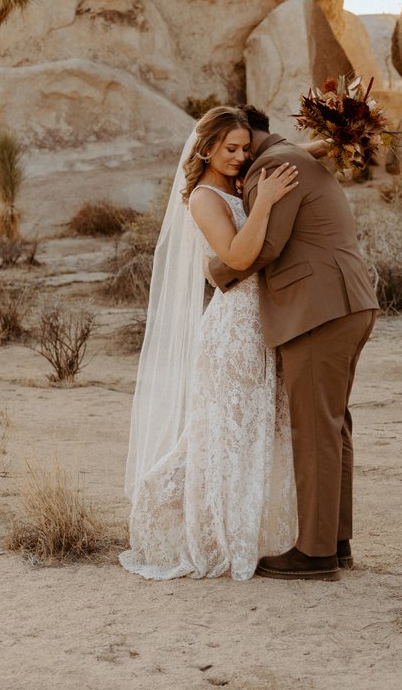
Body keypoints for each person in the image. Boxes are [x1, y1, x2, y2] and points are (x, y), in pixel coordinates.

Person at [120, 105, 300, 580]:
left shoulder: (237, 184)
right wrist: (265, 203)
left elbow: (289, 156)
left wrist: (338, 137)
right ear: (207, 148)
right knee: (223, 436)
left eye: (246, 148)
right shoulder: (204, 198)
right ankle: (202, 529)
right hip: (233, 331)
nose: (242, 156)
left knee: (255, 432)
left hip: (263, 324)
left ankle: (252, 532)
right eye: (231, 149)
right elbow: (238, 255)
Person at [206, 105, 379, 581]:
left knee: (314, 428)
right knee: (333, 423)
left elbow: (265, 247)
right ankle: (335, 540)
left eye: (241, 146)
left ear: (252, 136)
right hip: (348, 302)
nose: (239, 159)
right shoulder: (291, 156)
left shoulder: (272, 166)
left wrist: (214, 271)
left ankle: (315, 552)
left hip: (317, 310)